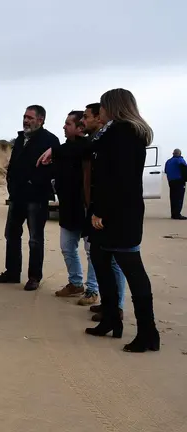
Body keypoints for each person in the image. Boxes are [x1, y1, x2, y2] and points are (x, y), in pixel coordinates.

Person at [39, 88, 160, 353]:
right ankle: (110, 318)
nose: (99, 111)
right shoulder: (110, 133)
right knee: (101, 261)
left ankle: (148, 332)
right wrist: (55, 151)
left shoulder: (125, 133)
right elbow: (86, 149)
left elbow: (120, 180)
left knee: (131, 266)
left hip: (120, 214)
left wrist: (101, 212)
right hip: (107, 211)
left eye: (103, 106)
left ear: (113, 107)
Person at [0, 105, 60, 291]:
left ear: (41, 120)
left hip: (36, 198)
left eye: (30, 117)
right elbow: (13, 165)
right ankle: (12, 272)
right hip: (17, 196)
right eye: (25, 116)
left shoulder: (50, 140)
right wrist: (11, 184)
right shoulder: (20, 138)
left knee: (35, 239)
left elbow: (53, 170)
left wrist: (32, 183)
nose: (26, 120)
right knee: (11, 234)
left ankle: (34, 277)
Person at [82, 103, 127, 322]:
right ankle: (108, 305)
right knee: (101, 258)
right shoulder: (97, 140)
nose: (85, 121)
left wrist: (100, 211)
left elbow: (111, 179)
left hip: (111, 211)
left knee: (114, 261)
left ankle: (116, 308)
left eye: (87, 116)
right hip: (98, 207)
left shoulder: (113, 139)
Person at [52, 111, 99, 306]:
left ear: (80, 128)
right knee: (67, 247)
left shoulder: (89, 147)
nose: (64, 127)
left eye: (68, 124)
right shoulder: (62, 150)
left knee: (91, 251)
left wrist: (52, 151)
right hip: (67, 206)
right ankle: (75, 282)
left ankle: (92, 289)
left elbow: (79, 151)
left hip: (86, 207)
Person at [164, 149, 187, 220]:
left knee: (173, 197)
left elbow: (166, 171)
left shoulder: (168, 161)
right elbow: (184, 169)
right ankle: (177, 214)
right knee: (179, 198)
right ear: (180, 154)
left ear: (173, 153)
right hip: (179, 181)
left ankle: (173, 214)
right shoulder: (180, 160)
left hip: (171, 181)